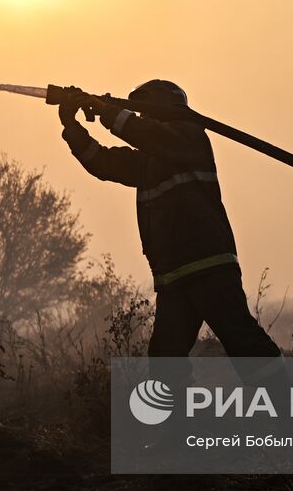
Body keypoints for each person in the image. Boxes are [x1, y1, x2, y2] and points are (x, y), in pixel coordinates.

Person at [57, 80, 281, 359]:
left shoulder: (189, 137)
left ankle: (283, 400)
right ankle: (175, 405)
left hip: (209, 268)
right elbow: (102, 162)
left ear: (165, 108)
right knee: (165, 360)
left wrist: (107, 111)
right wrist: (72, 127)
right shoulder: (148, 161)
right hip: (173, 278)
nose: (141, 117)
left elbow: (146, 134)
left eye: (145, 111)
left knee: (245, 346)